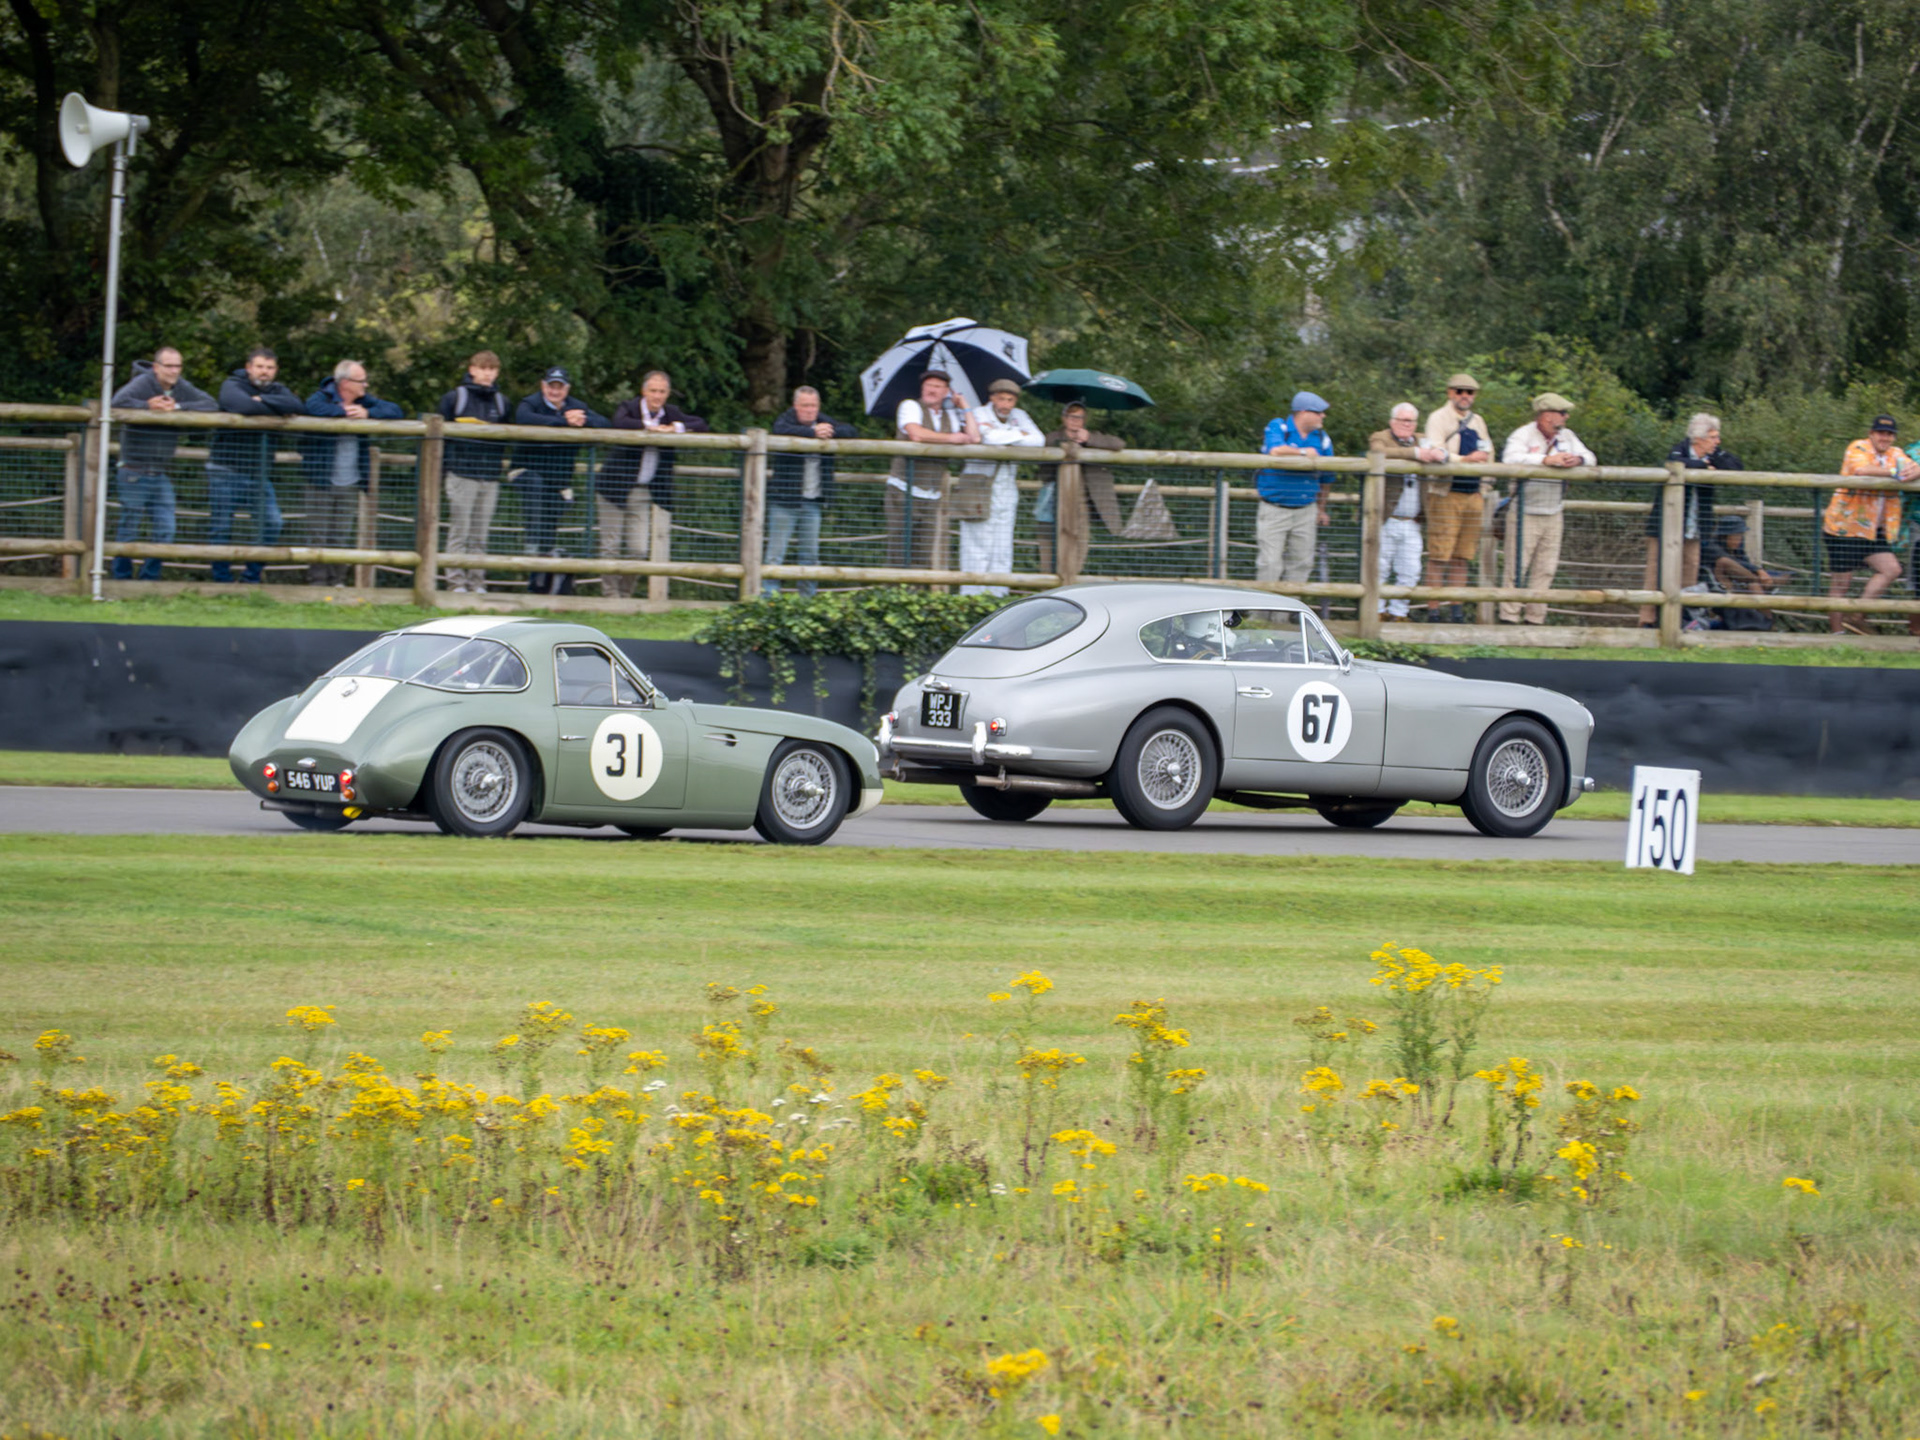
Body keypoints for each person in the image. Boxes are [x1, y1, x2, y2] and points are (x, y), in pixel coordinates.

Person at [594, 370, 707, 599]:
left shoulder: (670, 413)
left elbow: (701, 424)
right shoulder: (629, 407)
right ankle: (610, 597)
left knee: (638, 549)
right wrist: (649, 427)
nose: (657, 396)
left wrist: (676, 428)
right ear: (643, 391)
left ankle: (625, 595)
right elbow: (619, 422)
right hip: (613, 488)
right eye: (653, 391)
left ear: (668, 394)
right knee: (610, 546)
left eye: (662, 392)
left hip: (643, 492)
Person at [108, 347, 218, 580]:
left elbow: (210, 404)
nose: (174, 371)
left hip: (160, 473)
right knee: (130, 528)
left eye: (178, 366)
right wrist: (147, 406)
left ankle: (149, 579)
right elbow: (117, 402)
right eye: (169, 366)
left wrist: (177, 407)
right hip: (133, 471)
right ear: (156, 367)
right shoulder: (142, 383)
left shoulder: (181, 387)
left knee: (166, 529)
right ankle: (121, 579)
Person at [301, 360, 405, 586]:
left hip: (351, 482)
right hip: (321, 481)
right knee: (318, 535)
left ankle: (337, 581)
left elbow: (395, 410)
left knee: (340, 535)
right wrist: (343, 412)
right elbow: (310, 409)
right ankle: (317, 583)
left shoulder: (364, 401)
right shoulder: (321, 397)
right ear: (346, 383)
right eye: (361, 381)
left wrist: (367, 413)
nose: (365, 385)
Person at [207, 347, 302, 584]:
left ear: (276, 371)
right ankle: (222, 582)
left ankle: (250, 578)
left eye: (270, 368)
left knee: (272, 522)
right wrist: (275, 409)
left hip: (258, 473)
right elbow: (241, 406)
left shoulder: (279, 390)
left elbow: (297, 405)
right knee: (221, 527)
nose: (264, 372)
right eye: (260, 366)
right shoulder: (232, 384)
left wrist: (263, 400)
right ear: (249, 367)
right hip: (224, 470)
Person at [1498, 392, 1594, 625]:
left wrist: (1577, 461)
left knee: (1546, 569)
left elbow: (1591, 457)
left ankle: (1535, 619)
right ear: (1546, 415)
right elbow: (1509, 459)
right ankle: (1509, 617)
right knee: (1516, 567)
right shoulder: (1522, 435)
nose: (1565, 417)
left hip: (1554, 512)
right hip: (1524, 511)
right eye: (1561, 413)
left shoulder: (1568, 436)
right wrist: (1544, 460)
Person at [1640, 413, 1742, 626]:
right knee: (1655, 571)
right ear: (1698, 439)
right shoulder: (1680, 449)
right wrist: (1706, 468)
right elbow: (1675, 463)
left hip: (1694, 528)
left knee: (1690, 572)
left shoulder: (1714, 454)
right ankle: (1647, 620)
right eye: (1713, 437)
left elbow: (1736, 466)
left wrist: (1713, 462)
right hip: (1665, 527)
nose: (1717, 441)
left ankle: (1682, 620)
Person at [514, 367, 611, 588]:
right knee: (535, 489)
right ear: (543, 386)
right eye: (551, 386)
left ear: (567, 389)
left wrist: (582, 419)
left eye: (559, 387)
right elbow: (524, 418)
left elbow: (605, 423)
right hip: (526, 473)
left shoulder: (576, 407)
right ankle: (531, 546)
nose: (554, 391)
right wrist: (563, 422)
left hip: (558, 482)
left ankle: (540, 583)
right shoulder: (530, 403)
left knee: (551, 522)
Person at [1823, 414, 1915, 634]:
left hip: (1874, 530)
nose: (1885, 437)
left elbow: (1913, 467)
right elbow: (1861, 470)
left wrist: (1913, 471)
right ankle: (1837, 636)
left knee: (1891, 569)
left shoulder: (1896, 453)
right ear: (1871, 433)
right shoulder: (1858, 447)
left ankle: (1857, 616)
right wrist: (1895, 474)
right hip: (1845, 528)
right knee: (1841, 584)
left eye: (1889, 434)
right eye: (1881, 433)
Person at [765, 386, 857, 597]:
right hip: (784, 501)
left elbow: (851, 431)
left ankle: (808, 601)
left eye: (813, 405)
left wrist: (829, 431)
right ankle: (768, 601)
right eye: (805, 405)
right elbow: (779, 429)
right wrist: (811, 433)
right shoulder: (785, 420)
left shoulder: (823, 421)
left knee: (810, 555)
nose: (809, 410)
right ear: (795, 406)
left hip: (813, 501)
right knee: (775, 555)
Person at [957, 378, 1044, 594]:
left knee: (1002, 544)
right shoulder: (977, 414)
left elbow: (1038, 440)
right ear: (992, 398)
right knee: (976, 543)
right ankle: (971, 597)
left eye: (1010, 400)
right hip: (978, 488)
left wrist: (1004, 436)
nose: (1005, 404)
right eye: (1001, 399)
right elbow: (986, 438)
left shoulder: (1019, 416)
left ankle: (998, 596)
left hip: (1006, 490)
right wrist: (1018, 436)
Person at [1419, 373, 1494, 622]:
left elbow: (1489, 453)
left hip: (1473, 494)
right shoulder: (1437, 418)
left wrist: (1484, 486)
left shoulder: (1479, 421)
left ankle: (1457, 611)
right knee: (1440, 555)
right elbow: (1434, 451)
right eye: (1460, 391)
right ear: (1450, 392)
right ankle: (1433, 611)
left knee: (1463, 556)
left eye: (1469, 392)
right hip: (1445, 493)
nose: (1465, 396)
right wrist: (1465, 460)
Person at [437, 351, 512, 593]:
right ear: (472, 369)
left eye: (492, 369)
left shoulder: (502, 403)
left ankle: (477, 582)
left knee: (481, 533)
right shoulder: (454, 398)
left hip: (490, 477)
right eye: (483, 368)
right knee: (460, 529)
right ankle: (456, 582)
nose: (487, 373)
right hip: (461, 474)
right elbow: (440, 438)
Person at [888, 370, 980, 568]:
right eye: (928, 385)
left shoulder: (950, 416)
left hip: (932, 494)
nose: (932, 390)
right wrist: (952, 438)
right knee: (899, 552)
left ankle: (919, 596)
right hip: (903, 490)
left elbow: (974, 438)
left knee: (924, 554)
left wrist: (965, 407)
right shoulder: (910, 406)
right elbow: (916, 434)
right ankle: (893, 596)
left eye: (938, 387)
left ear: (947, 391)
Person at [1366, 403, 1448, 620]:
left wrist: (1440, 453)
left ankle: (1399, 613)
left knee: (1411, 571)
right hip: (1386, 518)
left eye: (1410, 421)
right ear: (1392, 421)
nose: (1406, 424)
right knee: (1379, 568)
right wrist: (1416, 453)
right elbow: (1378, 453)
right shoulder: (1380, 437)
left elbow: (1440, 451)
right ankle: (1376, 612)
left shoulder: (1423, 439)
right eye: (1402, 420)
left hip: (1413, 521)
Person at [1035, 402, 1125, 578]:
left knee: (1080, 543)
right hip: (1054, 500)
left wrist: (1088, 438)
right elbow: (1043, 457)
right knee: (1048, 543)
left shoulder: (1092, 437)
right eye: (1070, 416)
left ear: (1084, 420)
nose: (1074, 421)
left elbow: (1119, 443)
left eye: (1079, 417)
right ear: (1063, 418)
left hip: (1082, 502)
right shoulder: (1052, 437)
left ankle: (1071, 582)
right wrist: (1065, 442)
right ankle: (1046, 584)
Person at [1255, 390, 1335, 584]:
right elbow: (1275, 450)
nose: (1322, 416)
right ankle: (1261, 614)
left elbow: (1327, 478)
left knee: (1302, 563)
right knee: (1270, 563)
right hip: (1274, 509)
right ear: (1303, 412)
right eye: (1319, 412)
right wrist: (1304, 453)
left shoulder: (1323, 438)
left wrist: (1321, 510)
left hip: (1307, 511)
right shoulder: (1278, 426)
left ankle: (1291, 613)